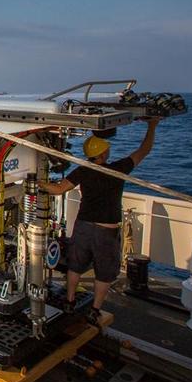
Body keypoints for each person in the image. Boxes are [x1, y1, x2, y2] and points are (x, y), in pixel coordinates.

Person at [41, 117, 160, 324]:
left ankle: (69, 301)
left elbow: (58, 189)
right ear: (104, 152)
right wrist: (152, 126)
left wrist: (36, 182)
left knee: (75, 266)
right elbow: (144, 150)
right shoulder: (118, 169)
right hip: (106, 231)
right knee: (104, 274)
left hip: (83, 227)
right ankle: (95, 309)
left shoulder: (83, 170)